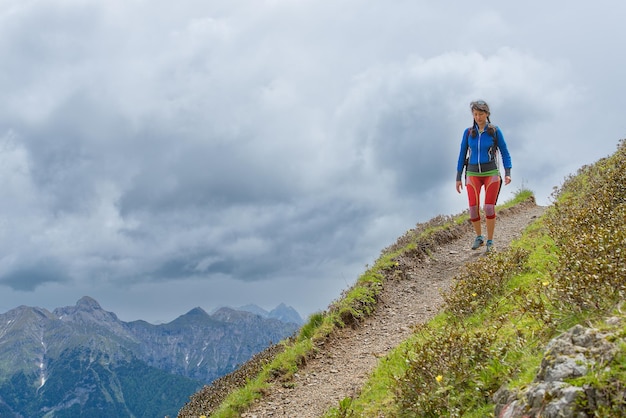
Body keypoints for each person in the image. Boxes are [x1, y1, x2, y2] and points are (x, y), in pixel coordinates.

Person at [456, 100, 512, 253]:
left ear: (487, 114)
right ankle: (479, 237)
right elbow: (462, 154)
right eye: (475, 114)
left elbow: (504, 152)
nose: (478, 117)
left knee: (488, 207)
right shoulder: (468, 133)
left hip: (491, 173)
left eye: (481, 114)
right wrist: (458, 177)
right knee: (473, 209)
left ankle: (490, 240)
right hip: (472, 173)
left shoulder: (494, 131)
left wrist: (507, 173)